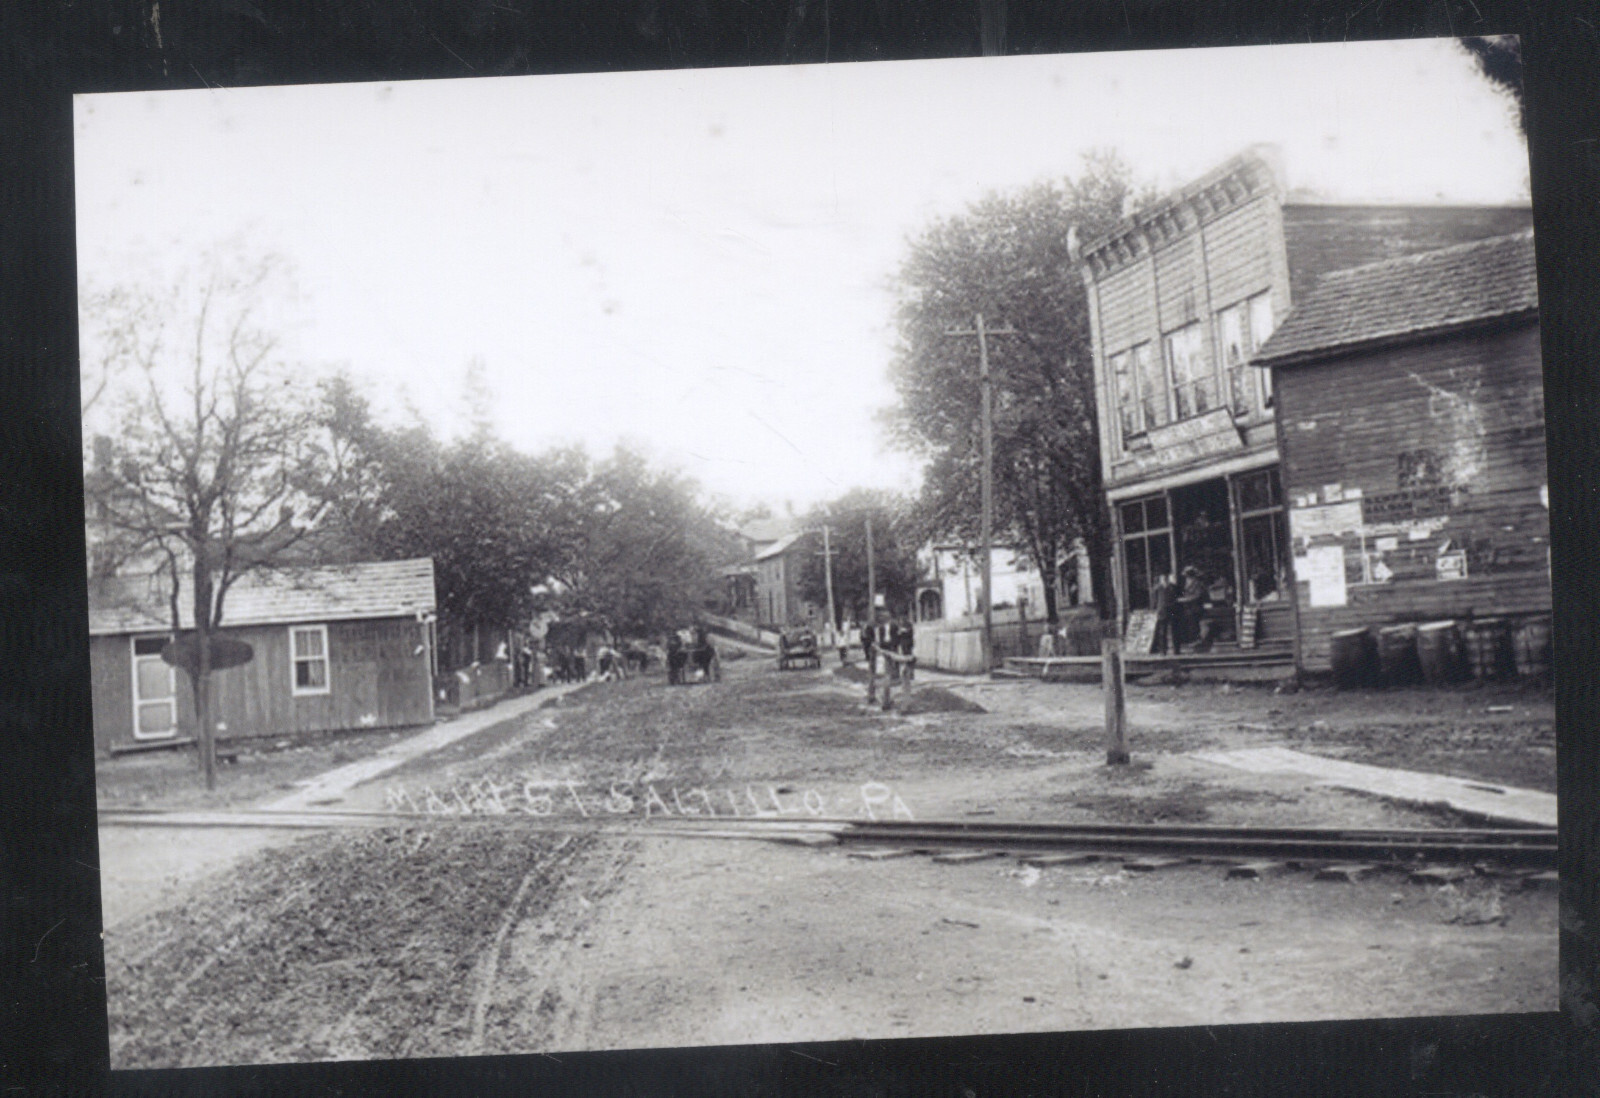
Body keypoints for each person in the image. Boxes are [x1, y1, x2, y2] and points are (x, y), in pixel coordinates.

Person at [1176, 566, 1205, 653]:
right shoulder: (1187, 583)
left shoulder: (1197, 584)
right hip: (1187, 608)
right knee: (1188, 623)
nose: (1187, 578)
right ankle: (1191, 641)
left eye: (1188, 576)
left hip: (1195, 607)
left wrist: (1184, 599)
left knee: (1193, 623)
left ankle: (1196, 641)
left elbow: (1197, 596)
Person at [1151, 572, 1176, 655]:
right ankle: (1163, 650)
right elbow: (1154, 600)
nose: (1164, 579)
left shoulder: (1173, 587)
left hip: (1172, 611)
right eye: (1163, 578)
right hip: (1162, 611)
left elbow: (1176, 598)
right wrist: (1155, 609)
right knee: (1162, 631)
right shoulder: (1158, 588)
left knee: (1174, 630)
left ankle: (1176, 650)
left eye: (1166, 578)